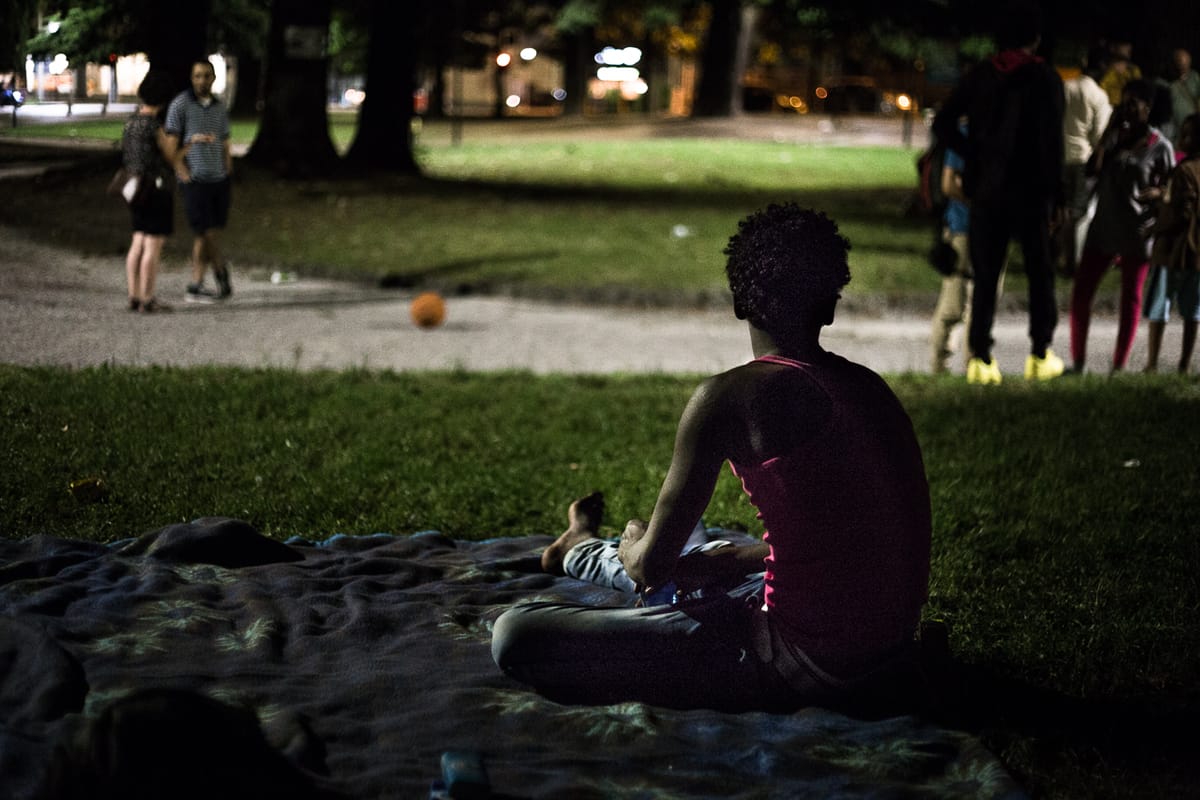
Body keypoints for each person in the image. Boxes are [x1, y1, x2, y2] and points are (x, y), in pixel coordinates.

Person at [491, 204, 932, 716]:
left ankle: (586, 549)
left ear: (741, 303)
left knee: (516, 632)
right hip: (887, 650)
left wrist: (635, 545)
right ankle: (577, 549)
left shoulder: (728, 397)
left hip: (807, 666)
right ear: (829, 307)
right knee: (710, 559)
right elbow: (861, 544)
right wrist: (733, 561)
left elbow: (650, 567)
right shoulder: (870, 388)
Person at [931, 5, 1066, 385]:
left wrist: (973, 152)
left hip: (987, 191)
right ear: (1035, 39)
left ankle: (981, 361)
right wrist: (1058, 196)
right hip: (1032, 192)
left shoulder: (980, 76)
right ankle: (1040, 354)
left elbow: (944, 122)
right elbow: (1053, 144)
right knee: (1040, 274)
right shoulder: (1045, 77)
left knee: (985, 276)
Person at [1069, 79, 1176, 374]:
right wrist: (1107, 134)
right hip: (1103, 227)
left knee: (1130, 299)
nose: (1126, 109)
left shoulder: (1160, 147)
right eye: (1123, 102)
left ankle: (1118, 366)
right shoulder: (1114, 139)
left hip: (1136, 233)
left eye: (1133, 103)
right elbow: (1091, 170)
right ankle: (1077, 363)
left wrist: (1159, 196)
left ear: (1148, 107)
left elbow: (1172, 190)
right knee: (1081, 294)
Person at [930, 123, 1002, 373]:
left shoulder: (1004, 130)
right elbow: (948, 184)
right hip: (963, 229)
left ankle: (975, 366)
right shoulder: (965, 132)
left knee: (983, 302)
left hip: (994, 232)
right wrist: (983, 205)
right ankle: (940, 368)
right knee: (954, 305)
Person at [165, 59, 233, 302]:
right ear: (191, 79)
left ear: (213, 78)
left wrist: (227, 169)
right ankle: (221, 273)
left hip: (218, 179)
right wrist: (181, 170)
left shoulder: (219, 107)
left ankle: (195, 284)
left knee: (205, 234)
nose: (202, 80)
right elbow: (170, 146)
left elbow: (225, 141)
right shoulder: (180, 106)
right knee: (207, 230)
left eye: (206, 75)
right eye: (197, 76)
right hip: (195, 181)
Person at [1142, 113, 1200, 373]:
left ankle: (1152, 363)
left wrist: (1153, 229)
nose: (1181, 138)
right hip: (1197, 254)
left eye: (1187, 134)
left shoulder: (1183, 171)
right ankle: (1184, 365)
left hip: (1171, 251)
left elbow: (1180, 210)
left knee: (1158, 307)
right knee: (1192, 312)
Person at [121, 71, 179, 314]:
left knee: (138, 240)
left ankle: (133, 295)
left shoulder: (131, 123)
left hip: (134, 187)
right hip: (156, 188)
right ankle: (148, 297)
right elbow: (170, 156)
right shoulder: (155, 126)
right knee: (153, 245)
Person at [1060, 46, 1114, 277]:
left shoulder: (1066, 87)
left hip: (1060, 155)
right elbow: (1100, 135)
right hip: (1083, 158)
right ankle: (1074, 261)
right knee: (1079, 212)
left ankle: (1062, 257)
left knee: (1062, 209)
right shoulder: (1099, 96)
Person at [1169, 49, 1200, 153]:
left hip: (1192, 127)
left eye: (1186, 65)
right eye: (1180, 65)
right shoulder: (1168, 82)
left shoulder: (1194, 77)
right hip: (1174, 127)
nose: (1183, 68)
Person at [1100, 40, 1143, 106]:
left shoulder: (1133, 70)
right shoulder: (1104, 68)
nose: (1129, 47)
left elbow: (1139, 93)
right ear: (1113, 47)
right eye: (1124, 44)